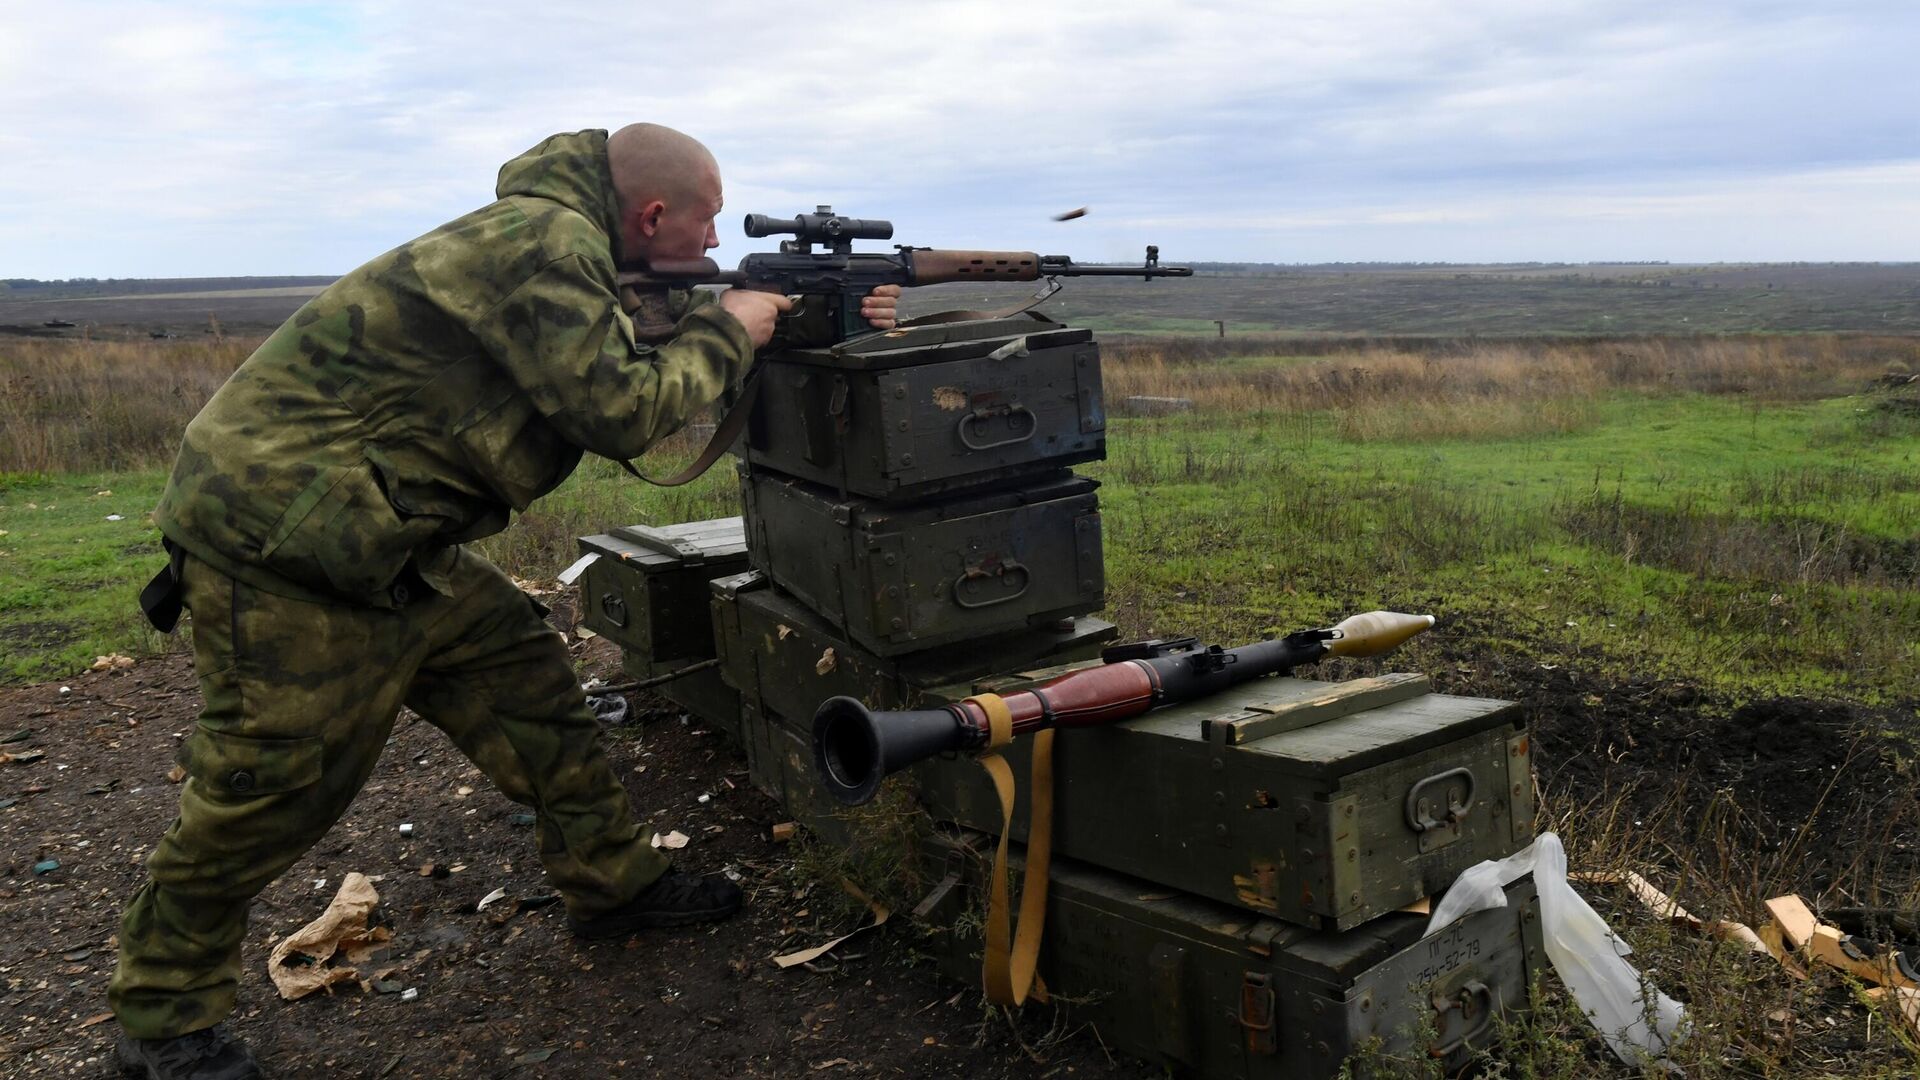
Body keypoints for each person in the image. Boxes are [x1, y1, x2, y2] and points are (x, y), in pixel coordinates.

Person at [110, 123, 901, 1080]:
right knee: (264, 791)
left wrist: (832, 312)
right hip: (285, 545)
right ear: (651, 213)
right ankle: (160, 1025)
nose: (714, 241)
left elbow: (629, 346)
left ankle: (616, 885)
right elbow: (625, 411)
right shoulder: (545, 244)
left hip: (386, 537)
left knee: (531, 692)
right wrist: (732, 325)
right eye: (707, 221)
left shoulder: (565, 253)